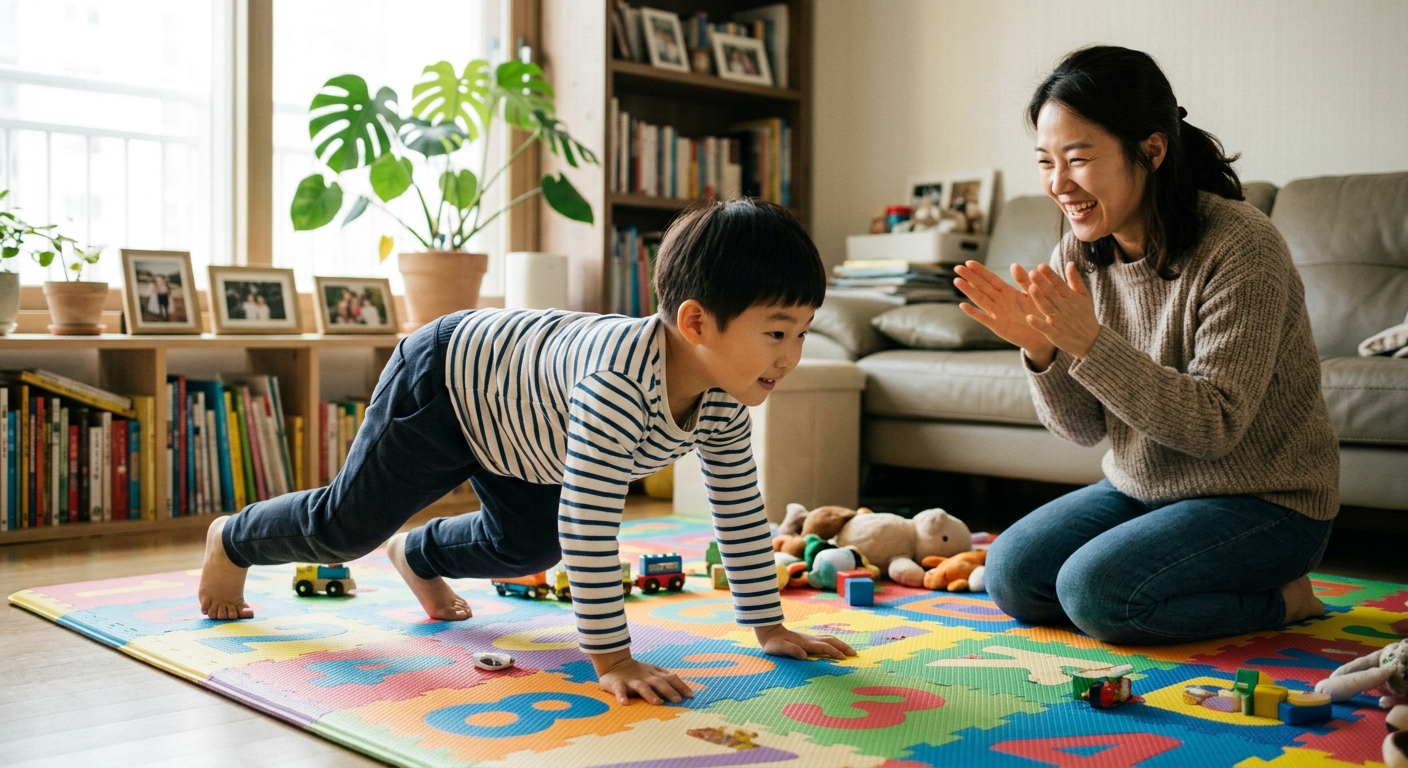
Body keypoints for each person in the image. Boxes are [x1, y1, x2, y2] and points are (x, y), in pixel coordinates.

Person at [197, 199, 856, 705]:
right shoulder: (618, 385)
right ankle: (232, 540)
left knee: (529, 548)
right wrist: (613, 659)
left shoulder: (723, 398)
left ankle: (418, 553)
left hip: (526, 434)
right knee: (346, 529)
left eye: (802, 334)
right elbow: (591, 527)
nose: (791, 357)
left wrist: (769, 628)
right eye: (776, 332)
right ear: (695, 323)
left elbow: (739, 511)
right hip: (447, 382)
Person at [954, 46, 1338, 646]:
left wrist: (1090, 342)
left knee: (1096, 593)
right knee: (1012, 576)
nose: (1059, 185)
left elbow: (1215, 426)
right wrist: (1044, 353)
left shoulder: (1242, 246)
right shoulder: (1079, 253)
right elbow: (1083, 430)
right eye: (1046, 161)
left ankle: (1282, 600)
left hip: (1267, 504)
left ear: (1152, 150)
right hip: (1142, 489)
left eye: (1078, 159)